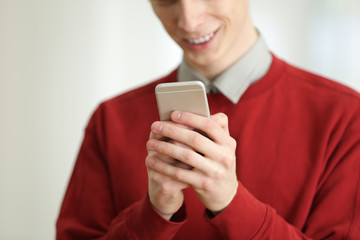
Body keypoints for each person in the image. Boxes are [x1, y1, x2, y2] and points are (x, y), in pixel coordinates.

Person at [56, 0, 360, 239]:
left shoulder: (345, 117)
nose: (188, 20)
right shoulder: (110, 120)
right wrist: (153, 213)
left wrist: (231, 201)